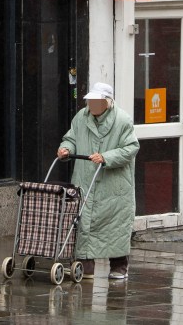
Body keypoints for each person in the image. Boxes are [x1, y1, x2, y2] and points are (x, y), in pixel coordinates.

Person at [57, 81, 139, 280]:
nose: (91, 105)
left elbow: (131, 148)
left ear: (108, 102)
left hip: (114, 185)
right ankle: (85, 266)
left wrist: (106, 157)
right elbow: (71, 138)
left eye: (96, 101)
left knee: (116, 224)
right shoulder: (80, 118)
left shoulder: (122, 120)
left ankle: (119, 267)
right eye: (90, 101)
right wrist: (66, 148)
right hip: (86, 179)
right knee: (84, 222)